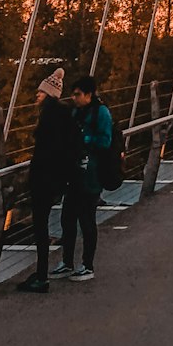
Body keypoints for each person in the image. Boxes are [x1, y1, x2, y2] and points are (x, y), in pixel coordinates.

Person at [17, 67, 78, 295]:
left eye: (40, 93)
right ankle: (41, 273)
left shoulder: (49, 118)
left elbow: (44, 152)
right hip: (57, 178)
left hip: (44, 178)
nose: (37, 96)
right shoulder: (64, 116)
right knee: (42, 226)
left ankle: (41, 276)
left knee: (40, 227)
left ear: (49, 94)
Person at [51, 75, 112, 283]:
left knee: (87, 220)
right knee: (67, 219)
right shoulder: (76, 112)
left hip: (92, 175)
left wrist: (83, 138)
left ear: (88, 94)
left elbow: (106, 141)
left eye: (77, 94)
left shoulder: (101, 112)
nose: (74, 98)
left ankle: (87, 265)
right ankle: (67, 263)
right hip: (74, 173)